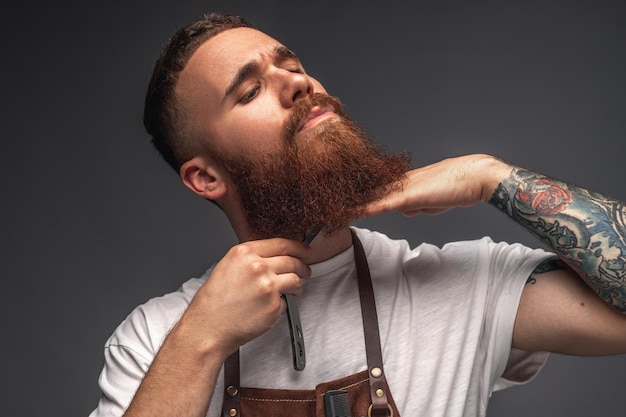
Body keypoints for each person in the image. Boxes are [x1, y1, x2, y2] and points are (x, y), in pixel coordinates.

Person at [89, 12, 626, 417]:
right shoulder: (155, 339)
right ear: (206, 178)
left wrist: (492, 177)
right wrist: (202, 339)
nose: (298, 82)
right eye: (250, 90)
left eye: (293, 66)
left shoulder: (463, 288)